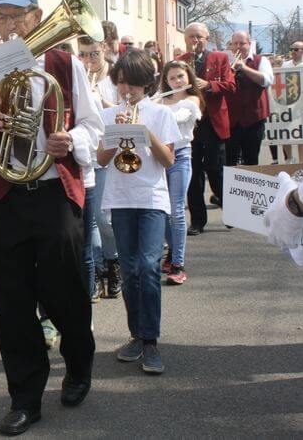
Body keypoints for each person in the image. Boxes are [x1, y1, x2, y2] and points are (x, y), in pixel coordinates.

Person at [0, 0, 103, 435]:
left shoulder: (64, 62)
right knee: (11, 300)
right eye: (0, 17)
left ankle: (78, 363)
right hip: (4, 194)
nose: (8, 25)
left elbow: (94, 126)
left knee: (64, 291)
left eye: (16, 16)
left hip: (54, 191)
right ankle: (25, 397)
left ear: (36, 17)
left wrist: (70, 140)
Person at [97, 50, 179, 375]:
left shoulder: (161, 113)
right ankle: (136, 335)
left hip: (152, 198)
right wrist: (115, 134)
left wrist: (145, 132)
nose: (126, 90)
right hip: (120, 198)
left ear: (146, 84)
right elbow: (101, 159)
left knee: (148, 266)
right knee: (129, 269)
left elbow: (168, 160)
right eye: (121, 83)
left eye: (132, 84)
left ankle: (151, 340)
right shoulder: (109, 114)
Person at [177, 22, 236, 235]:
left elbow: (231, 85)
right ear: (186, 39)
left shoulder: (220, 58)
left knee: (215, 169)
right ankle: (197, 221)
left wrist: (209, 85)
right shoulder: (180, 61)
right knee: (193, 173)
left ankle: (230, 211)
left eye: (199, 37)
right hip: (190, 123)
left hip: (213, 122)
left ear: (207, 38)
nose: (195, 41)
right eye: (191, 37)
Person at [77, 35, 120, 300]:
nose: (89, 60)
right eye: (83, 54)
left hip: (107, 154)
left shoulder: (113, 79)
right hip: (85, 155)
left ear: (103, 49)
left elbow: (126, 110)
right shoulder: (78, 75)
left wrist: (101, 101)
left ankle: (113, 263)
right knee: (89, 220)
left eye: (93, 53)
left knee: (104, 219)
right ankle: (95, 272)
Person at [158, 61, 203, 285]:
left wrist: (153, 110)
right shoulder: (160, 99)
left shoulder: (191, 100)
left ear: (188, 77)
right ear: (166, 81)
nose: (177, 81)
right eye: (172, 78)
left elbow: (179, 118)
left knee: (176, 209)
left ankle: (178, 264)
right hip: (159, 157)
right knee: (163, 210)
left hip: (181, 155)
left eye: (180, 76)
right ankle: (172, 252)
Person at [225, 31, 273, 167]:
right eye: (235, 44)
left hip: (254, 119)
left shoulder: (261, 60)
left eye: (242, 43)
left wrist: (244, 68)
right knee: (229, 161)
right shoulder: (225, 62)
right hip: (231, 120)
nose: (238, 47)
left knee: (251, 160)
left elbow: (266, 80)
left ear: (249, 44)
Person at [281, 41, 303, 162]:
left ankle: (301, 162)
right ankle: (289, 160)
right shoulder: (285, 65)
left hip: (302, 106)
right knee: (285, 133)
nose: (293, 52)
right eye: (291, 49)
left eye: (296, 49)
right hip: (288, 104)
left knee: (301, 135)